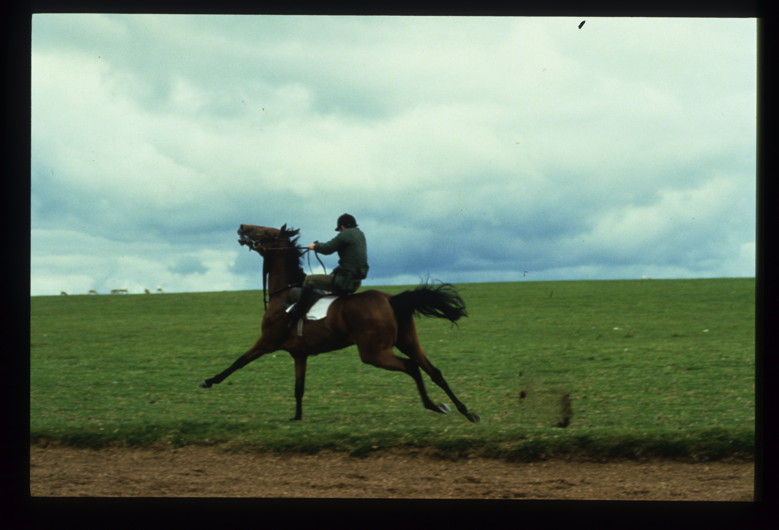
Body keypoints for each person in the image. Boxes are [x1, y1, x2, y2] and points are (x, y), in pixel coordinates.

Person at [288, 213, 369, 325]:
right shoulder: (360, 234)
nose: (340, 232)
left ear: (342, 227)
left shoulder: (345, 234)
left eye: (340, 230)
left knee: (309, 280)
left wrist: (314, 247)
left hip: (344, 282)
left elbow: (328, 248)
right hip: (355, 282)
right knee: (330, 275)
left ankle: (298, 311)